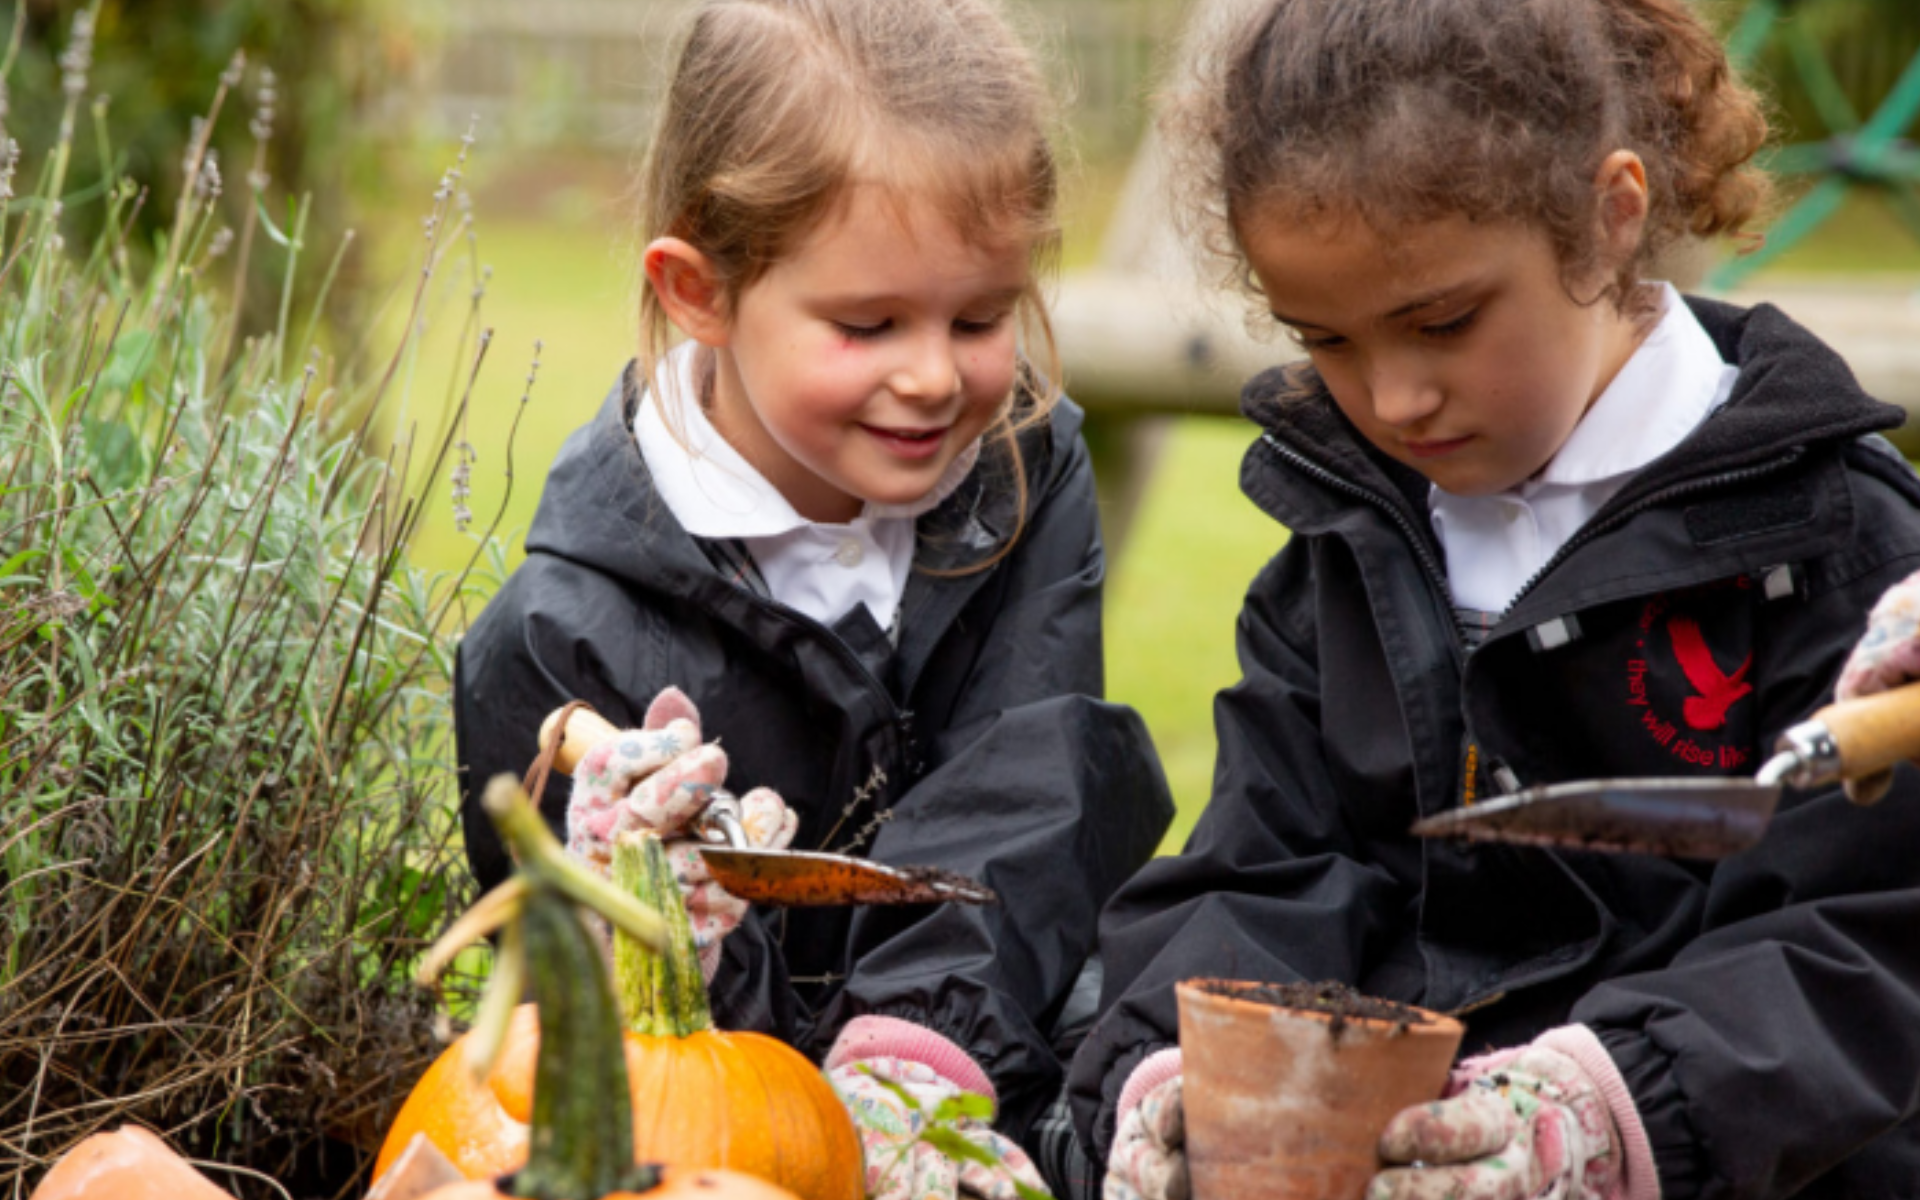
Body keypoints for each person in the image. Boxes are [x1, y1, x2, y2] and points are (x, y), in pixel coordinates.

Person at [1058, 1, 1920, 1198]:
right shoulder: (1350, 538)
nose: (1394, 398)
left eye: (1443, 323)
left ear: (1611, 218)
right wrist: (1174, 1058)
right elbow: (1267, 864)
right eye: (1329, 341)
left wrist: (1606, 1115)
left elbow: (1867, 942)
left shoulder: (1833, 543)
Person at [452, 2, 1173, 1196]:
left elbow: (1031, 793)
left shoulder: (1021, 478)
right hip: (715, 1135)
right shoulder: (554, 640)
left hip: (987, 1064)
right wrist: (658, 909)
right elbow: (607, 1038)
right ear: (700, 290)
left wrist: (909, 1076)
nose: (937, 375)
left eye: (982, 316)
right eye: (867, 324)